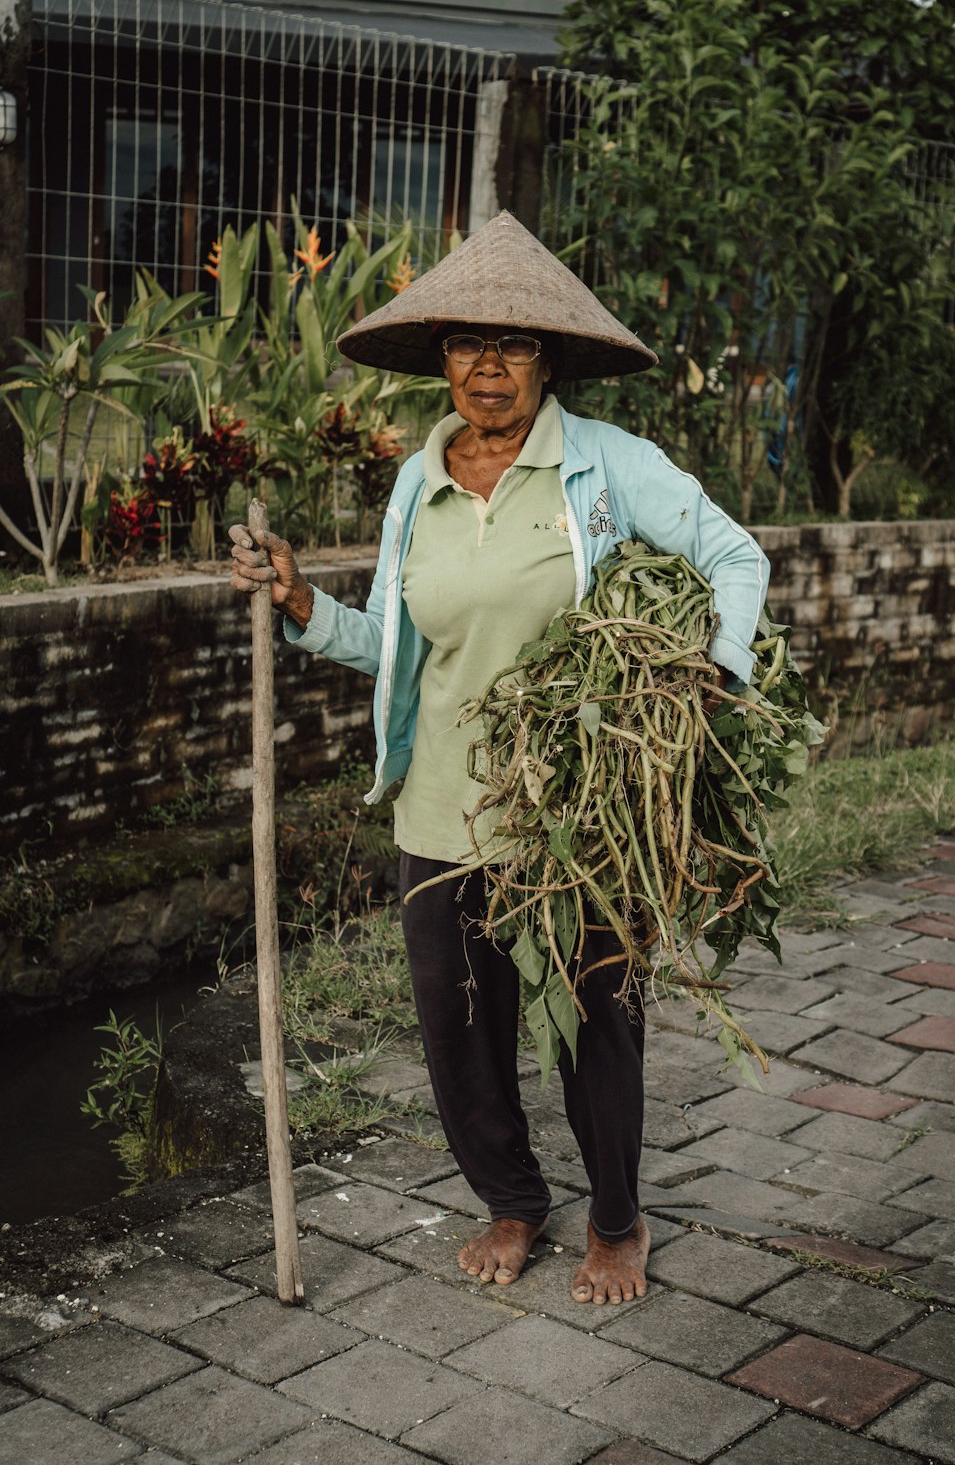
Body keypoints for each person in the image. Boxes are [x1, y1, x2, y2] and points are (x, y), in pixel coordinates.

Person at [231, 211, 769, 1306]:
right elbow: (394, 641)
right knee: (461, 1031)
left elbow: (731, 552)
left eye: (513, 345)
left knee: (595, 1024)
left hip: (572, 807)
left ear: (548, 359)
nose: (488, 367)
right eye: (467, 344)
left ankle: (618, 1220)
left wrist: (715, 666)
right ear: (440, 361)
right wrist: (300, 606)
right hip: (442, 809)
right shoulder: (414, 484)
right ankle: (512, 1201)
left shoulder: (607, 467)